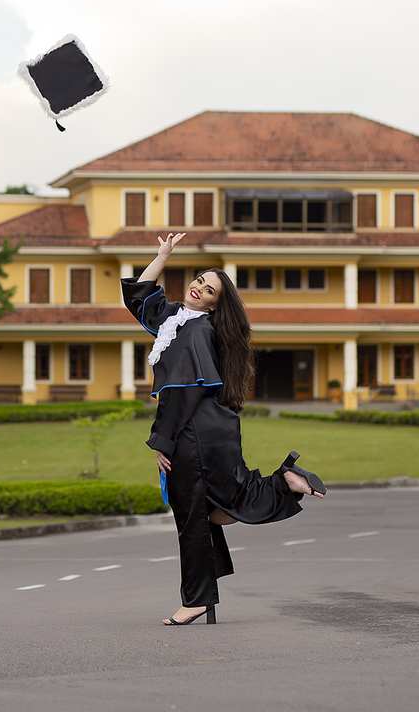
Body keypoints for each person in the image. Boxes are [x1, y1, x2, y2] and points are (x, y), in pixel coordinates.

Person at [122, 232, 326, 626]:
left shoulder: (198, 331)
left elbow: (180, 392)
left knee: (194, 516)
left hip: (195, 432)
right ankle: (283, 482)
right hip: (209, 430)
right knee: (215, 510)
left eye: (209, 289)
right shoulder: (178, 319)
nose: (198, 288)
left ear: (216, 303)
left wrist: (162, 442)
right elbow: (139, 296)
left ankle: (197, 600)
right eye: (199, 281)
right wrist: (162, 255)